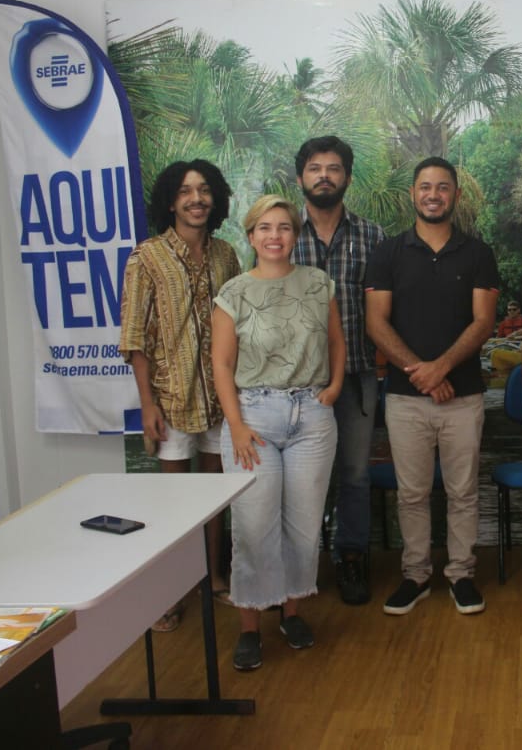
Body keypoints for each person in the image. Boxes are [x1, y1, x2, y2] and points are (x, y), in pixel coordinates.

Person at [211, 195, 344, 672]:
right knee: (252, 526)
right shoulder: (234, 293)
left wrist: (333, 388)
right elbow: (222, 364)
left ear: (295, 235)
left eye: (284, 227)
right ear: (251, 237)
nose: (274, 236)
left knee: (304, 525)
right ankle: (249, 627)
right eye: (264, 228)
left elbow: (334, 341)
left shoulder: (317, 284)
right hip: (255, 418)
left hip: (311, 417)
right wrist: (237, 426)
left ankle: (291, 612)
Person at [366, 157, 499, 617]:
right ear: (413, 194)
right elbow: (375, 322)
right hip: (405, 399)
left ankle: (462, 575)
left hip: (463, 396)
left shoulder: (478, 253)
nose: (434, 194)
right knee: (412, 493)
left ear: (455, 195)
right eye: (425, 186)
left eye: (443, 187)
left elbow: (484, 323)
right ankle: (416, 575)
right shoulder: (388, 253)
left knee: (463, 492)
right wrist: (420, 372)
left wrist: (439, 368)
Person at [119, 159, 240, 632]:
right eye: (187, 191)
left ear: (216, 199)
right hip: (170, 399)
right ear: (171, 201)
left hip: (218, 398)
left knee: (212, 497)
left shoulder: (226, 255)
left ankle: (210, 578)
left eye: (205, 190)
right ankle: (168, 593)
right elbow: (134, 337)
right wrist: (147, 403)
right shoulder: (146, 257)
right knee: (174, 501)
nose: (197, 199)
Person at [291, 135, 385, 606]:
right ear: (301, 177)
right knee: (304, 477)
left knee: (354, 474)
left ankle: (351, 558)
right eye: (314, 168)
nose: (323, 175)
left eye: (333, 168)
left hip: (358, 378)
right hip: (297, 385)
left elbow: (388, 309)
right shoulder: (281, 234)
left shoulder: (372, 236)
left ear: (346, 177)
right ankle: (301, 566)